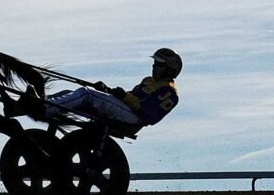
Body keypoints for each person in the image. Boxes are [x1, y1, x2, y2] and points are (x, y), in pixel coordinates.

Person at [48, 47, 181, 133]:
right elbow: (130, 97)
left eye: (159, 64)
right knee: (68, 94)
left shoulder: (169, 92)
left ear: (170, 68)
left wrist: (123, 96)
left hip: (135, 119)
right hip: (127, 112)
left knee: (85, 93)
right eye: (155, 63)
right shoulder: (149, 81)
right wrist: (107, 91)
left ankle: (48, 108)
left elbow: (147, 114)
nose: (154, 66)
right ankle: (45, 101)